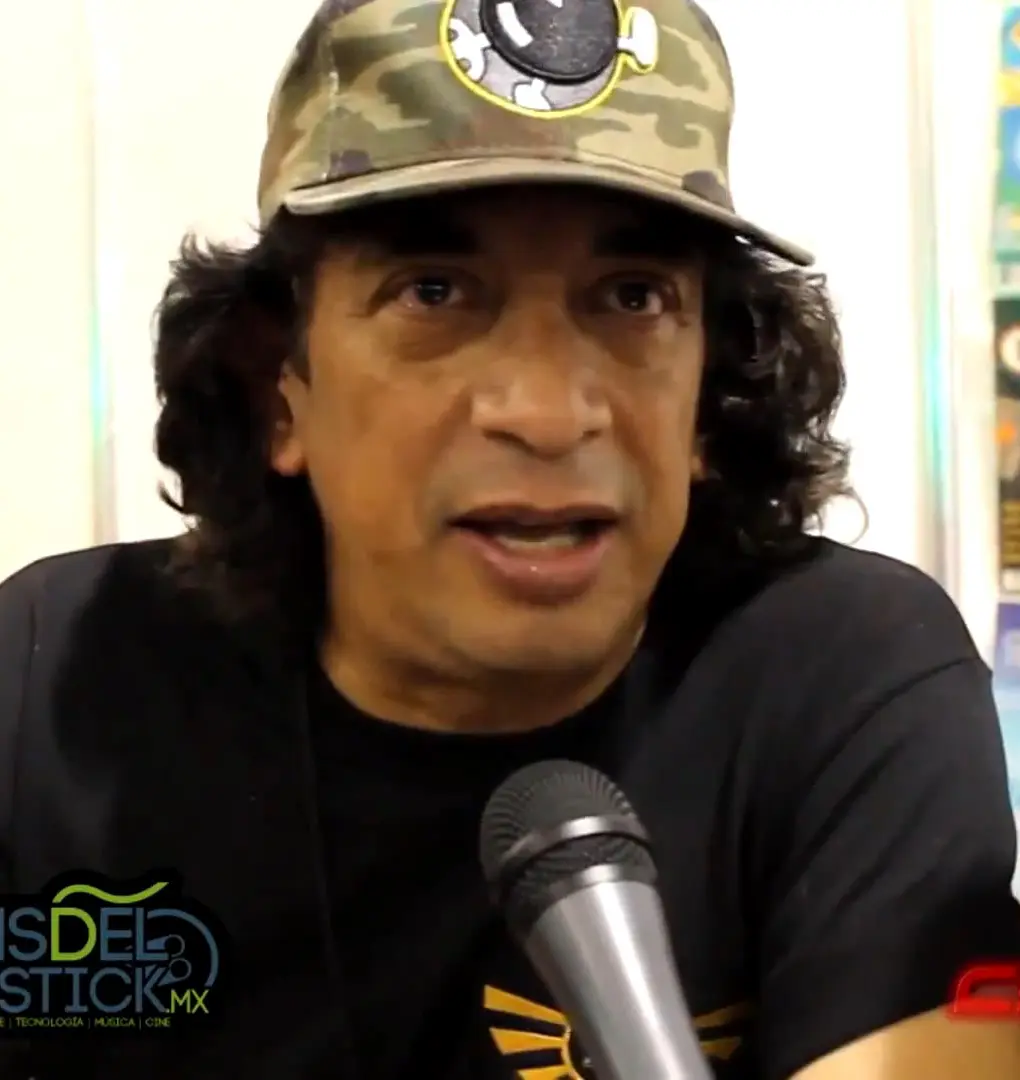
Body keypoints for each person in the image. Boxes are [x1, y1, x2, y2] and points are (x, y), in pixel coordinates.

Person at [0, 0, 1017, 1077]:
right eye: (433, 292)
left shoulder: (840, 678)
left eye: (633, 297)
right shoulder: (53, 688)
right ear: (277, 386)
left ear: (712, 394)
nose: (546, 412)